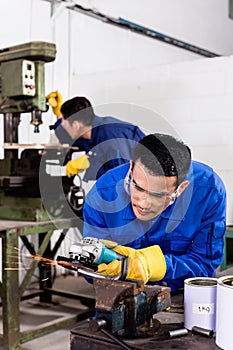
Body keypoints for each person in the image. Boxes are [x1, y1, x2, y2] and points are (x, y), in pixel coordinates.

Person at [82, 133, 226, 291]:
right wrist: (103, 263)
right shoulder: (102, 195)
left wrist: (157, 266)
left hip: (183, 297)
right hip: (123, 296)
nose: (143, 203)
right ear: (131, 168)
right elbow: (90, 271)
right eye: (138, 187)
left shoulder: (209, 192)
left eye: (157, 195)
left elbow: (204, 263)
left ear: (180, 189)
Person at [46, 91, 145, 181]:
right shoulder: (88, 131)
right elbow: (68, 137)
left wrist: (90, 159)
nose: (63, 127)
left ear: (75, 125)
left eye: (64, 124)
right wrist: (58, 114)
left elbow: (123, 179)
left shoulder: (110, 137)